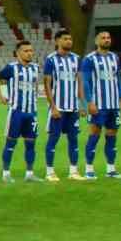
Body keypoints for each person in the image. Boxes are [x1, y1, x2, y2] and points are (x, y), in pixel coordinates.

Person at [81, 29, 121, 179]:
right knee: (94, 134)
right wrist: (90, 102)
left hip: (114, 105)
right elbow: (86, 82)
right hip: (98, 105)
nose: (106, 40)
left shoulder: (115, 57)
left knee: (112, 135)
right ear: (96, 41)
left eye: (108, 38)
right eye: (103, 38)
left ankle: (111, 170)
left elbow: (118, 79)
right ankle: (89, 169)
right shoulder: (89, 59)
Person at [0, 40, 43, 184]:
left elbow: (35, 86)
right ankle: (6, 173)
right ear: (18, 53)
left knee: (31, 144)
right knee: (11, 143)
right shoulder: (11, 68)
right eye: (26, 51)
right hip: (16, 112)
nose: (29, 53)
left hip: (32, 113)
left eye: (31, 50)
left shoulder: (35, 68)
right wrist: (1, 95)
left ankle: (29, 174)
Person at [42, 30, 84, 182]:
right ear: (57, 41)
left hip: (73, 108)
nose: (69, 41)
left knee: (74, 139)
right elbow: (46, 84)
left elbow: (79, 81)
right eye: (65, 39)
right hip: (58, 107)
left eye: (70, 39)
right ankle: (49, 172)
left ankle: (73, 171)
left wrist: (81, 104)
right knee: (53, 138)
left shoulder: (77, 59)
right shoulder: (51, 59)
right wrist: (52, 106)